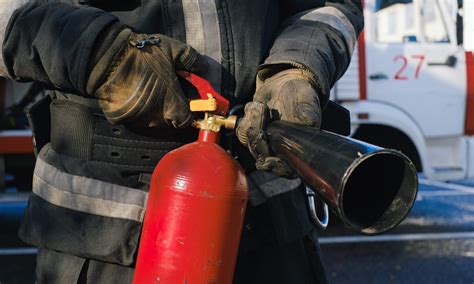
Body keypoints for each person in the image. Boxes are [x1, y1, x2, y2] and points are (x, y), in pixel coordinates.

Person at [0, 1, 363, 283]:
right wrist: (100, 55)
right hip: (104, 244)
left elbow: (328, 7)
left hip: (271, 233)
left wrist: (296, 68)